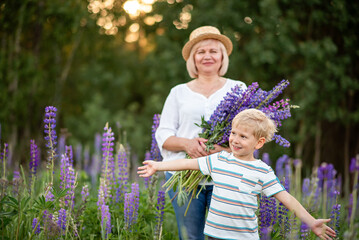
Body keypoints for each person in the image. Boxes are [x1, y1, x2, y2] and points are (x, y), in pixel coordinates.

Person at [139, 109, 337, 240]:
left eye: (243, 136)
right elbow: (188, 163)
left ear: (259, 143)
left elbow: (286, 198)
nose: (235, 139)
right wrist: (158, 165)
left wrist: (311, 221)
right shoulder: (219, 160)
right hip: (214, 234)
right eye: (233, 133)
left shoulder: (262, 170)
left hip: (244, 237)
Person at [155, 26, 247, 239]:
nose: (207, 56)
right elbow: (164, 136)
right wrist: (188, 144)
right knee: (190, 237)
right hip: (184, 177)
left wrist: (222, 149)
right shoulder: (178, 92)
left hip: (225, 175)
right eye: (201, 51)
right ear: (193, 59)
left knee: (224, 237)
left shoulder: (239, 89)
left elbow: (248, 134)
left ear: (222, 57)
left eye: (213, 51)